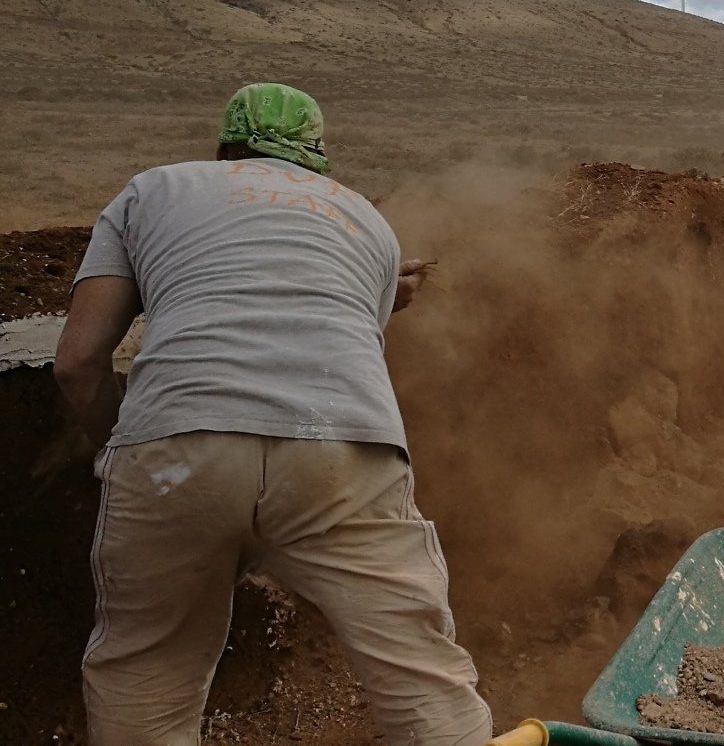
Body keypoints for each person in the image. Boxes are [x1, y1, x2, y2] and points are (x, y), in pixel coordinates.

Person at [52, 82, 493, 746]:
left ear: (224, 147)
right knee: (423, 681)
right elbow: (347, 343)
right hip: (341, 449)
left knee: (147, 676)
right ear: (317, 155)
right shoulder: (367, 221)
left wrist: (117, 449)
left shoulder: (152, 190)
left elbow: (78, 363)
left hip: (177, 453)